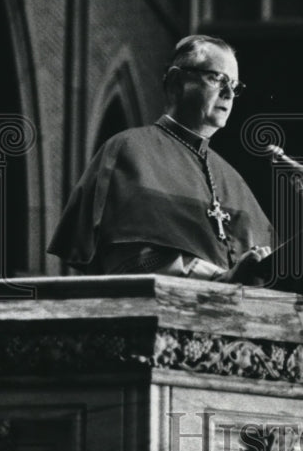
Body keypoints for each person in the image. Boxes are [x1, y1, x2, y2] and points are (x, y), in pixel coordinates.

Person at [48, 35, 273, 283]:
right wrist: (221, 279)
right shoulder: (129, 150)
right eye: (216, 78)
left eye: (234, 85)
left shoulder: (231, 177)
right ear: (177, 82)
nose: (229, 93)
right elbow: (128, 260)